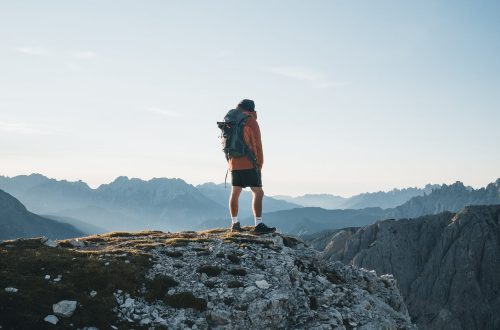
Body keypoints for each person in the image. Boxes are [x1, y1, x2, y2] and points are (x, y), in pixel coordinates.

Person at [228, 99, 276, 234]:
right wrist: (259, 163)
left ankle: (234, 224)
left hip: (233, 163)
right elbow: (257, 145)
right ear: (251, 110)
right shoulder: (250, 122)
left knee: (235, 192)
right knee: (258, 192)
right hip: (249, 162)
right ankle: (258, 225)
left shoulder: (231, 121)